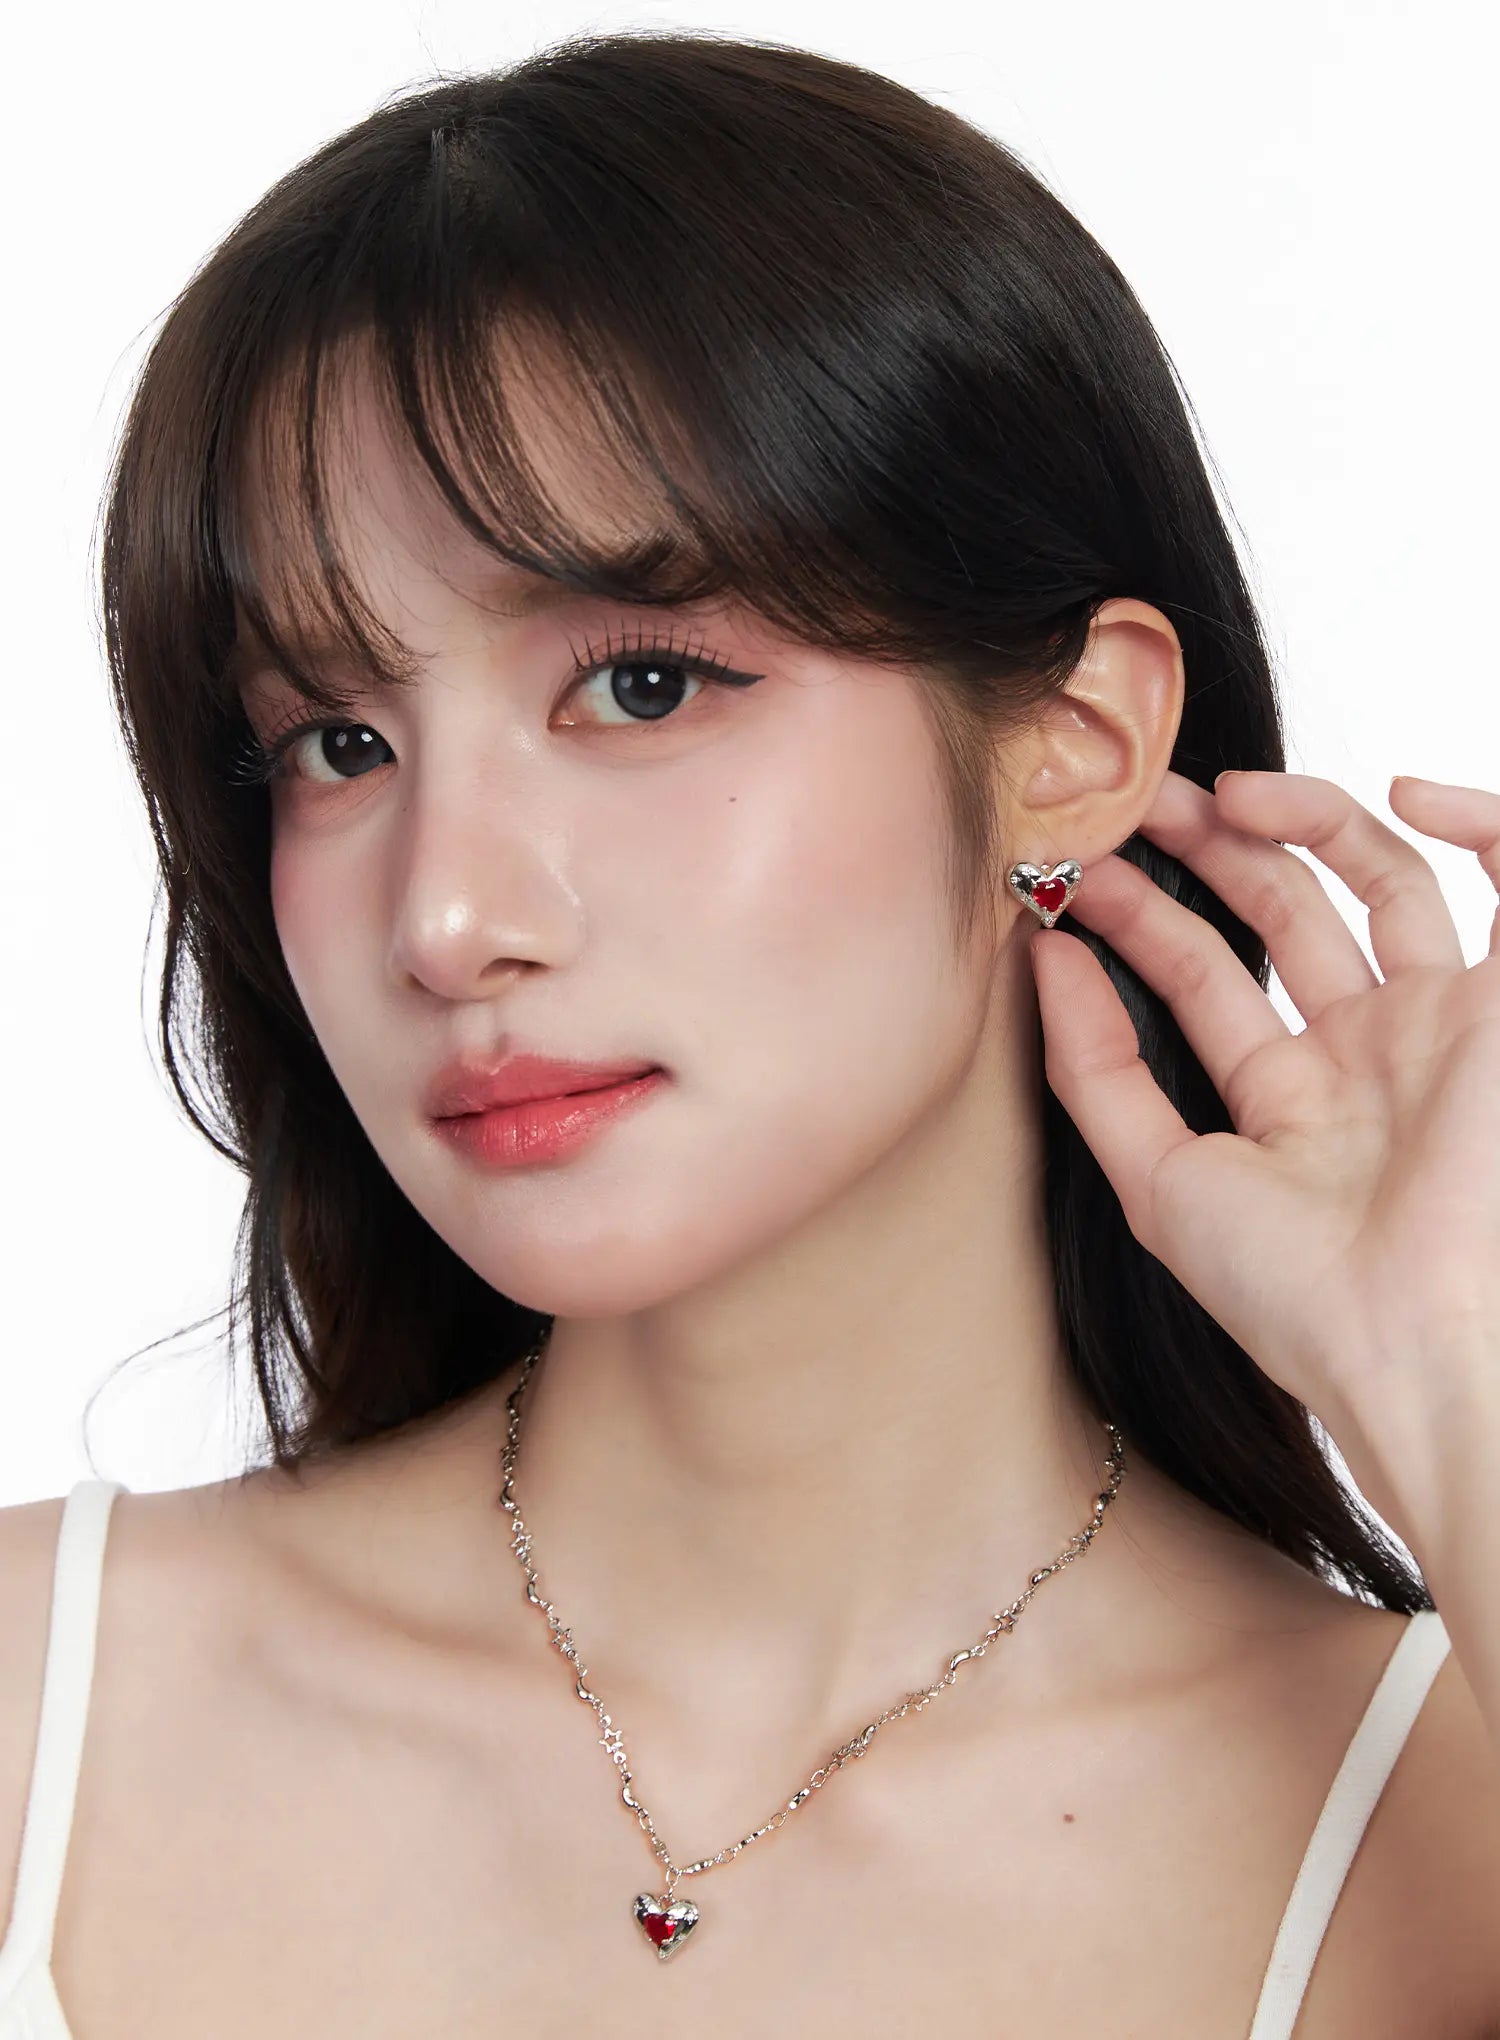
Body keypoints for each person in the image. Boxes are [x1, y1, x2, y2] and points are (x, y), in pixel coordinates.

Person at [2, 26, 1498, 2035]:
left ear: (1071, 746)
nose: (445, 920)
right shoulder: (38, 1709)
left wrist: (1453, 1376)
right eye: (336, 744)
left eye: (639, 687)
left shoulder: (1441, 1838)